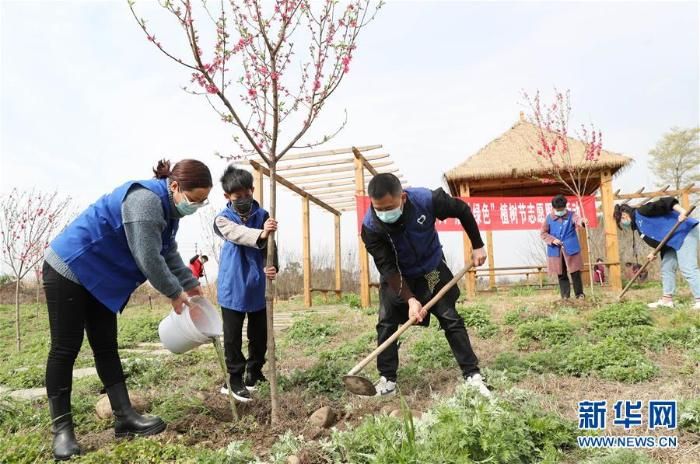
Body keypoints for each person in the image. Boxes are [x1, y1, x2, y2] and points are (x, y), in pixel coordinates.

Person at [43, 159, 212, 460]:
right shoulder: (145, 201)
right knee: (65, 348)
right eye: (194, 200)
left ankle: (124, 417)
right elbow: (148, 256)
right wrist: (174, 293)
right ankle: (62, 431)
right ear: (175, 187)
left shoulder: (170, 211)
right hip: (71, 267)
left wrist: (192, 286)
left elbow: (168, 252)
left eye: (202, 201)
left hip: (100, 276)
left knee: (106, 346)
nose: (196, 206)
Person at [360, 173, 490, 397]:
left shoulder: (426, 200)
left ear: (403, 197)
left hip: (431, 270)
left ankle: (472, 375)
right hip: (399, 276)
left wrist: (477, 245)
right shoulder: (371, 227)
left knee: (449, 315)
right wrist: (410, 299)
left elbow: (462, 210)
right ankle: (387, 379)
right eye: (378, 209)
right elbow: (387, 268)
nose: (383, 214)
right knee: (386, 321)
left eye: (389, 207)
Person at [214, 166, 278, 402]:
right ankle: (233, 379)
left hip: (258, 283)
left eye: (246, 195)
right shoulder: (222, 218)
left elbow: (272, 246)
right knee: (232, 336)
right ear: (227, 197)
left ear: (252, 190)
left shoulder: (262, 215)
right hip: (233, 283)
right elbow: (237, 234)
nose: (242, 200)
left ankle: (254, 371)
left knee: (259, 334)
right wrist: (261, 234)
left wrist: (273, 266)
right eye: (236, 196)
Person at [614, 197, 700, 309]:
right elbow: (659, 240)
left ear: (624, 214)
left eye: (622, 219)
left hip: (683, 232)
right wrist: (654, 252)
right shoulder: (640, 228)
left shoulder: (642, 211)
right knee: (667, 268)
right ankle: (667, 300)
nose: (624, 222)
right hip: (671, 243)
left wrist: (683, 212)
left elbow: (667, 201)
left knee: (688, 267)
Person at [540, 194, 586, 300]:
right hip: (556, 251)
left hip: (571, 248)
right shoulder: (549, 218)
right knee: (561, 273)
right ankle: (565, 296)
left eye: (562, 209)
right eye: (558, 209)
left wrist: (583, 222)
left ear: (565, 206)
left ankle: (579, 294)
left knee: (575, 272)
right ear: (553, 208)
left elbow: (578, 220)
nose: (560, 211)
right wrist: (553, 240)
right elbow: (543, 233)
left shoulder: (571, 215)